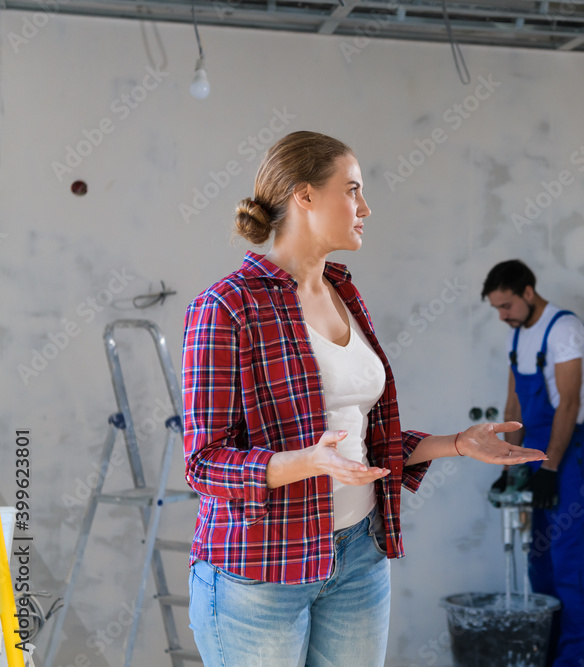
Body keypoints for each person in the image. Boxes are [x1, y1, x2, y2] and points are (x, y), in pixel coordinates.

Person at [182, 131, 545, 667]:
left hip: (359, 556)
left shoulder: (343, 292)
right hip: (262, 571)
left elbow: (361, 440)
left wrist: (457, 444)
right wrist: (306, 462)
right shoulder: (227, 307)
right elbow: (203, 463)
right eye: (352, 190)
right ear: (304, 196)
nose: (365, 207)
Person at [482, 260, 584, 667]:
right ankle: (544, 658)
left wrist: (550, 470)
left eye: (506, 306)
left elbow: (568, 405)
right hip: (532, 455)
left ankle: (571, 663)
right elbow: (514, 405)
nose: (502, 316)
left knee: (572, 564)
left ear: (528, 293)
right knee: (541, 562)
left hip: (570, 459)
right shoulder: (519, 336)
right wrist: (508, 466)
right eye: (496, 308)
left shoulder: (564, 329)